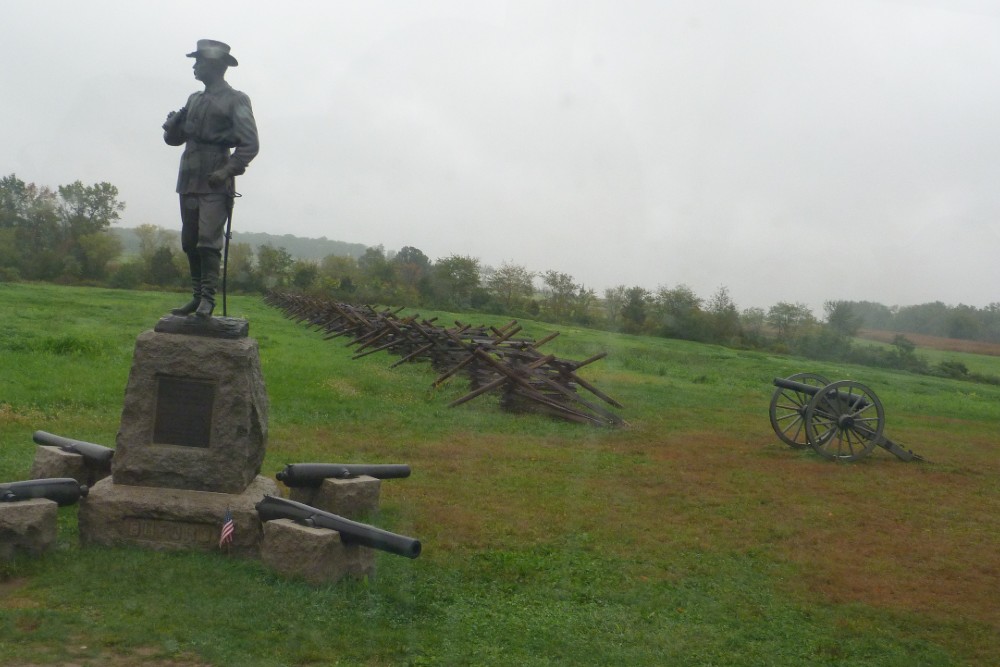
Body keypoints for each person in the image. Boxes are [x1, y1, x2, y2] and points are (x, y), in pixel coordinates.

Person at [163, 39, 259, 318]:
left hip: (215, 177)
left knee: (208, 239)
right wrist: (171, 128)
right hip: (189, 175)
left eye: (199, 61)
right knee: (189, 240)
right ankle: (196, 296)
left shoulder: (236, 99)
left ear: (215, 65)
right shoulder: (193, 99)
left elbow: (249, 144)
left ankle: (208, 299)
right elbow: (175, 140)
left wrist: (227, 171)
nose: (194, 66)